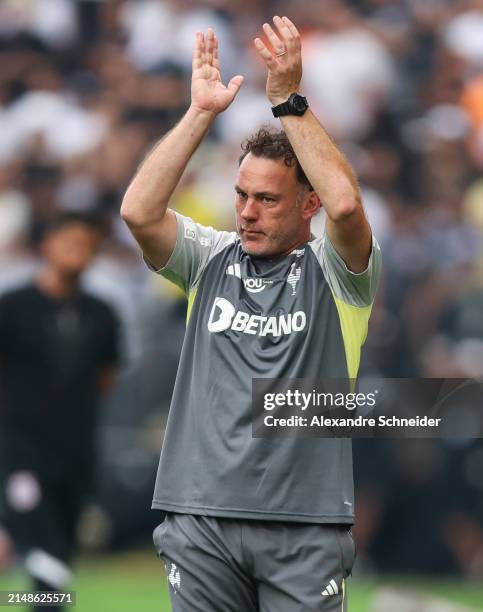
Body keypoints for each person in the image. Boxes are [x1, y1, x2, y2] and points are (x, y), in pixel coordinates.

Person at [121, 15, 381, 612]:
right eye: (241, 195)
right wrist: (200, 114)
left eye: (267, 200)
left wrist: (289, 102)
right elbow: (138, 211)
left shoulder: (339, 275)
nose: (247, 213)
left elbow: (346, 203)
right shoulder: (209, 259)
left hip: (304, 526)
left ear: (306, 204)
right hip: (201, 518)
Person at [0, 211, 120, 612]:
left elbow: (106, 379)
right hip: (20, 456)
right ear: (45, 245)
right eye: (70, 243)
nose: (78, 253)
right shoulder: (12, 308)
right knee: (47, 555)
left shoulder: (102, 314)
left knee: (59, 560)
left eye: (87, 245)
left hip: (76, 457)